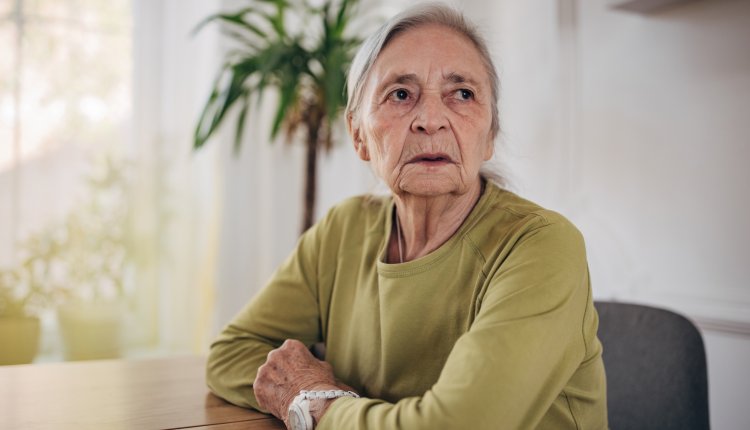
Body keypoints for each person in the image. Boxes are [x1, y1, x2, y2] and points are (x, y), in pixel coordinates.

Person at [206, 3, 608, 429]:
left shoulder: (542, 245)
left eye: (463, 94)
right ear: (359, 135)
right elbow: (233, 352)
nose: (431, 120)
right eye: (401, 94)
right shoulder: (344, 230)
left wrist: (318, 403)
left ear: (489, 136)